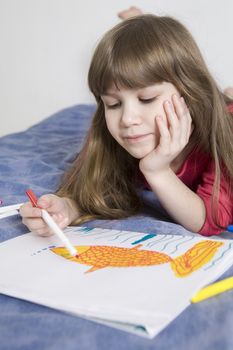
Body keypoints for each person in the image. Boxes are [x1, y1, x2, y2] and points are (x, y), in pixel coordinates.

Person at [20, 14, 233, 237]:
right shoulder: (115, 131)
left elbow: (211, 220)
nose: (127, 118)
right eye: (113, 103)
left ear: (189, 95)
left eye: (147, 99)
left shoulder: (225, 134)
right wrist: (64, 209)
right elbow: (92, 192)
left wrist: (158, 171)